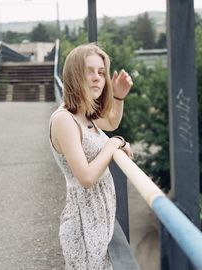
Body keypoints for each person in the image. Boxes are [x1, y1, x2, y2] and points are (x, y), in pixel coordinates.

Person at [49, 43, 133, 269]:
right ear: (74, 75)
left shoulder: (85, 115)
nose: (97, 78)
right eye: (89, 71)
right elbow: (85, 178)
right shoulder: (64, 119)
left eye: (101, 72)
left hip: (100, 218)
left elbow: (112, 122)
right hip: (84, 223)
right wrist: (114, 144)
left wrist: (118, 97)